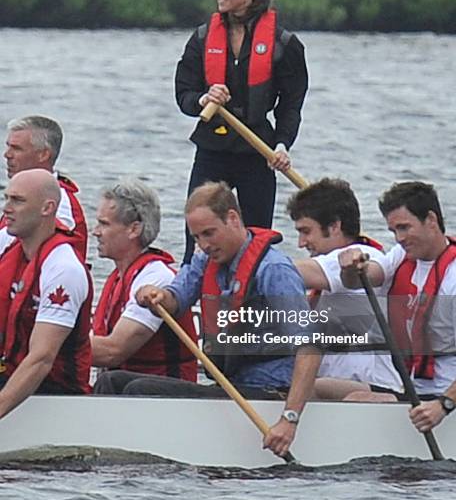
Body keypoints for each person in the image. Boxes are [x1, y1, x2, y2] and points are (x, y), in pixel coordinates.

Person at [175, 0, 308, 263]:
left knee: (256, 243)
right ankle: (193, 296)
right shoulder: (202, 38)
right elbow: (184, 95)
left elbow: (291, 106)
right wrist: (204, 99)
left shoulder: (284, 45)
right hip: (212, 148)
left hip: (257, 150)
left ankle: (249, 303)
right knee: (199, 237)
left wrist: (282, 144)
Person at [125, 181, 311, 399]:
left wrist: (290, 416)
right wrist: (156, 295)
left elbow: (308, 348)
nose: (204, 244)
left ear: (232, 219)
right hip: (230, 385)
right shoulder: (205, 260)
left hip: (269, 390)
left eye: (209, 233)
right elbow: (174, 299)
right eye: (197, 237)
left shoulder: (273, 270)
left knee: (140, 390)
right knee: (114, 381)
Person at [262, 179, 402, 457]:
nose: (301, 243)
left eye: (306, 232)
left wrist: (243, 262)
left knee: (309, 389)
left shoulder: (363, 257)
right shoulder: (327, 263)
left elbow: (290, 274)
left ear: (335, 226)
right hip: (332, 389)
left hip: (376, 390)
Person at [337, 181, 456, 435]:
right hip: (411, 389)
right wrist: (351, 268)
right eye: (393, 231)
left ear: (431, 220)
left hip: (443, 398)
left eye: (404, 228)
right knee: (320, 388)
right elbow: (366, 277)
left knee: (355, 401)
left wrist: (444, 405)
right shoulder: (402, 255)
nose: (399, 239)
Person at [0, 169, 92, 420]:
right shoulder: (9, 249)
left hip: (55, 388)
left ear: (46, 208)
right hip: (9, 369)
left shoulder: (63, 269)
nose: (6, 208)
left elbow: (41, 359)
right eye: (6, 198)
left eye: (17, 200)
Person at [90, 179, 198, 392]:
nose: (95, 232)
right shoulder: (117, 277)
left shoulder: (155, 279)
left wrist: (43, 347)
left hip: (161, 399)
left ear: (134, 229)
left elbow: (114, 351)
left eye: (104, 224)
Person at [2, 115, 88, 257]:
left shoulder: (60, 202)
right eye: (8, 146)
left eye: (17, 149)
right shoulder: (25, 195)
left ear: (43, 155)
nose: (7, 155)